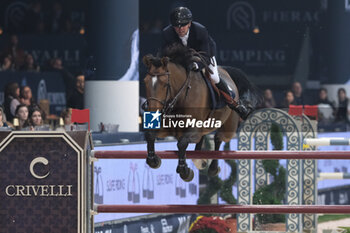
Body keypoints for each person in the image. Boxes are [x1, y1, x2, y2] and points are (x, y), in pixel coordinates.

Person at [160, 6, 250, 119]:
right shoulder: (167, 33)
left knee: (214, 76)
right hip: (181, 60)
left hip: (203, 56)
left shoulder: (199, 30)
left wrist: (197, 65)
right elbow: (164, 54)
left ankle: (233, 103)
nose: (180, 29)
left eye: (183, 25)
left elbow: (206, 54)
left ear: (189, 23)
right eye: (176, 26)